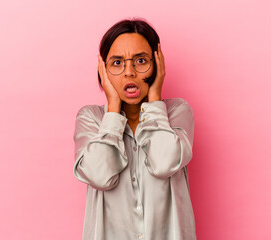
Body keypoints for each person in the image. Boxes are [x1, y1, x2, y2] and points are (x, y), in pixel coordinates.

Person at [73, 18, 197, 240]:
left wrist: (155, 100)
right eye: (117, 63)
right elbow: (100, 177)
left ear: (157, 65)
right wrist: (113, 110)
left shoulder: (177, 111)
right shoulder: (91, 118)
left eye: (141, 60)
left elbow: (164, 163)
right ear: (103, 70)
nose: (129, 72)